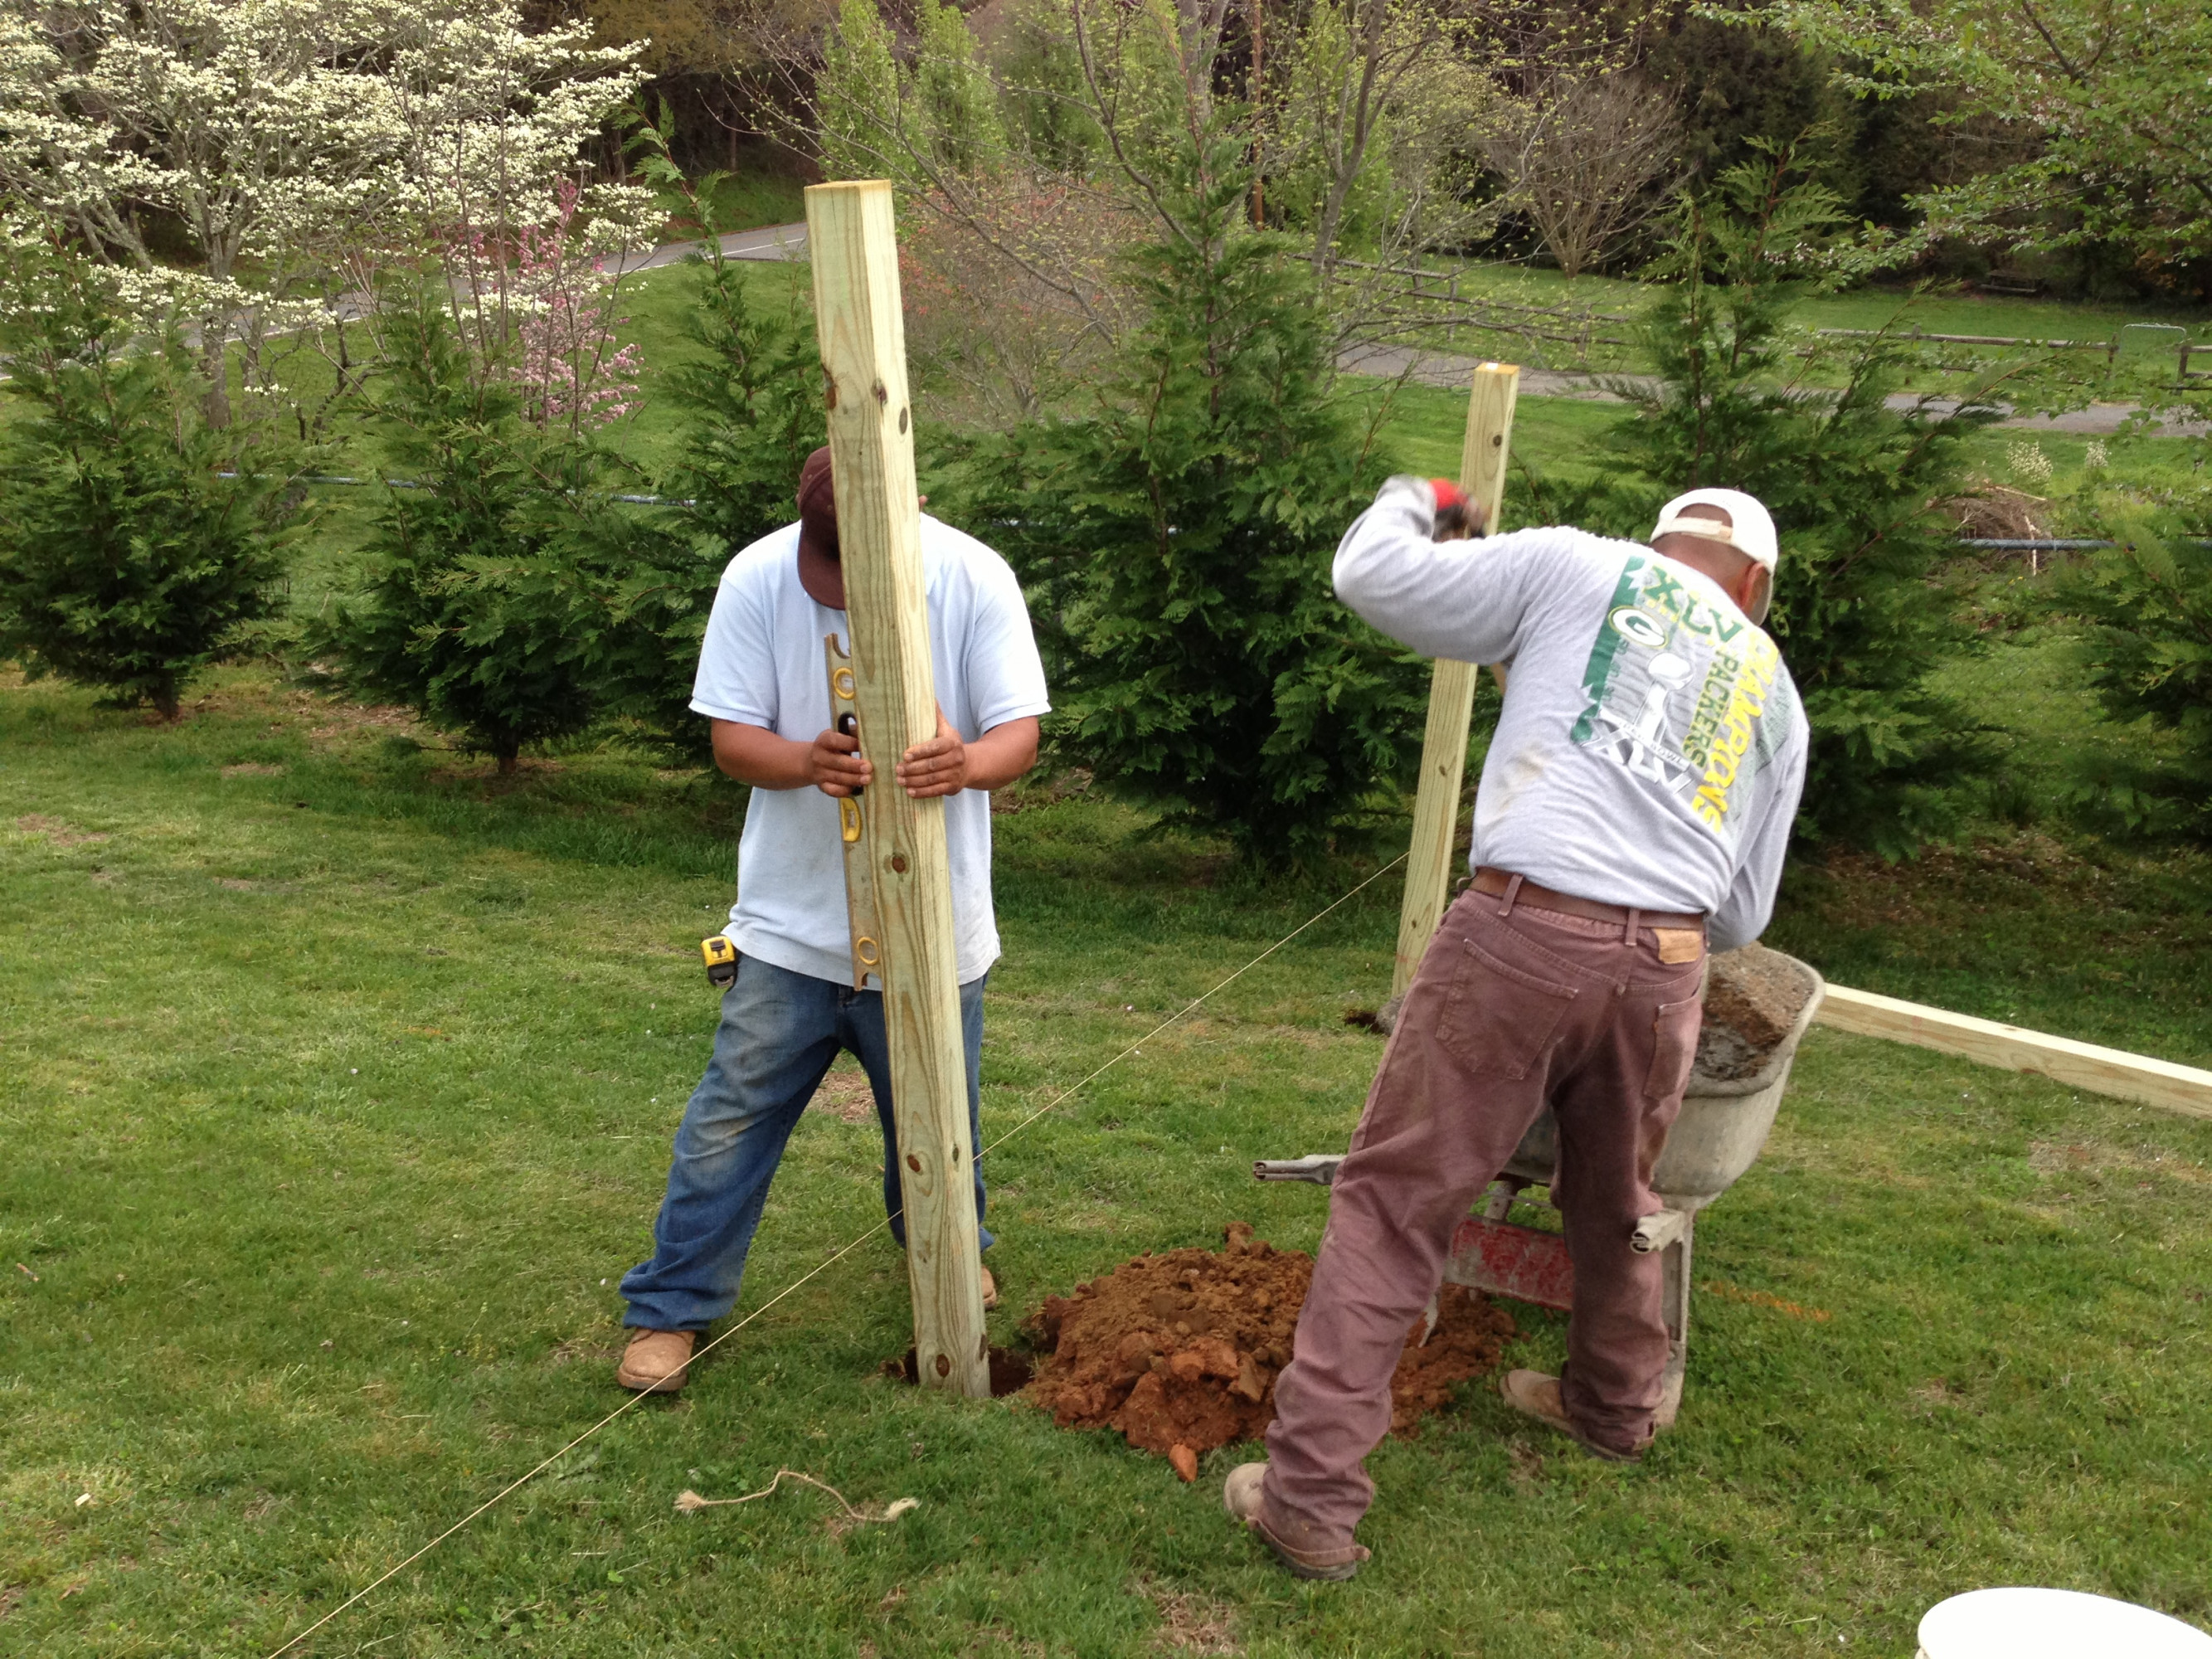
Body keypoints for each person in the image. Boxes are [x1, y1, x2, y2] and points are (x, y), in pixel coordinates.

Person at [1225, 480, 1808, 1578]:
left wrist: (1422, 495)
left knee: (1394, 1205)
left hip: (1523, 930)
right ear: (1756, 587)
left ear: (1659, 547)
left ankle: (1305, 1501)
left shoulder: (1582, 568)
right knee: (1620, 1201)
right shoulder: (1773, 695)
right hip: (1668, 970)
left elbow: (1366, 574)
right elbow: (1742, 914)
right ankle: (1611, 1408)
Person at [615, 446, 1048, 1394]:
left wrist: (964, 764)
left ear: (909, 513)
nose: (838, 591)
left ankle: (945, 1252)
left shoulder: (974, 575)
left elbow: (1021, 731)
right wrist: (803, 760)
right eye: (829, 569)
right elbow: (732, 740)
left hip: (933, 931)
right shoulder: (759, 575)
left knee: (938, 1118)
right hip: (788, 928)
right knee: (728, 1120)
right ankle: (670, 1307)